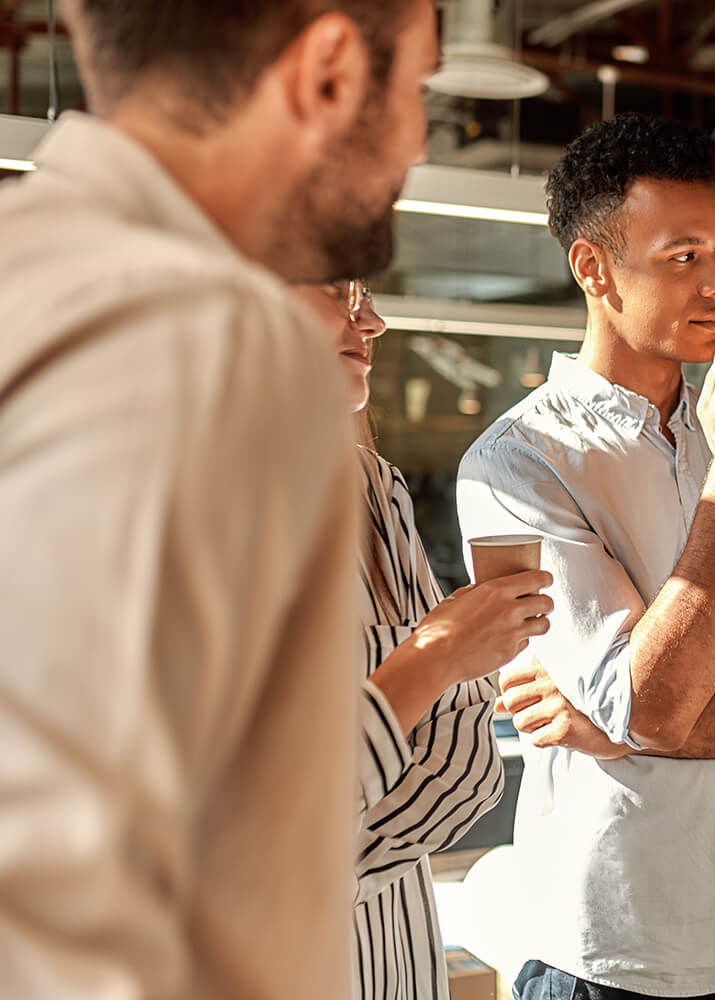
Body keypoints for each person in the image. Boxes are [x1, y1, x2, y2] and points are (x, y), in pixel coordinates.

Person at [0, 2, 438, 997]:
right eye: (416, 86)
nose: (416, 134)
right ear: (328, 70)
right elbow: (64, 910)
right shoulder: (199, 333)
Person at [456, 113, 715, 1000]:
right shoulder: (518, 465)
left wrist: (626, 729)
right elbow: (652, 699)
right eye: (683, 256)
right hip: (619, 957)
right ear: (593, 269)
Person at [292, 279, 553, 999]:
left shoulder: (372, 488)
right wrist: (431, 660)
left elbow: (467, 764)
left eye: (367, 292)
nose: (371, 320)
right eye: (338, 290)